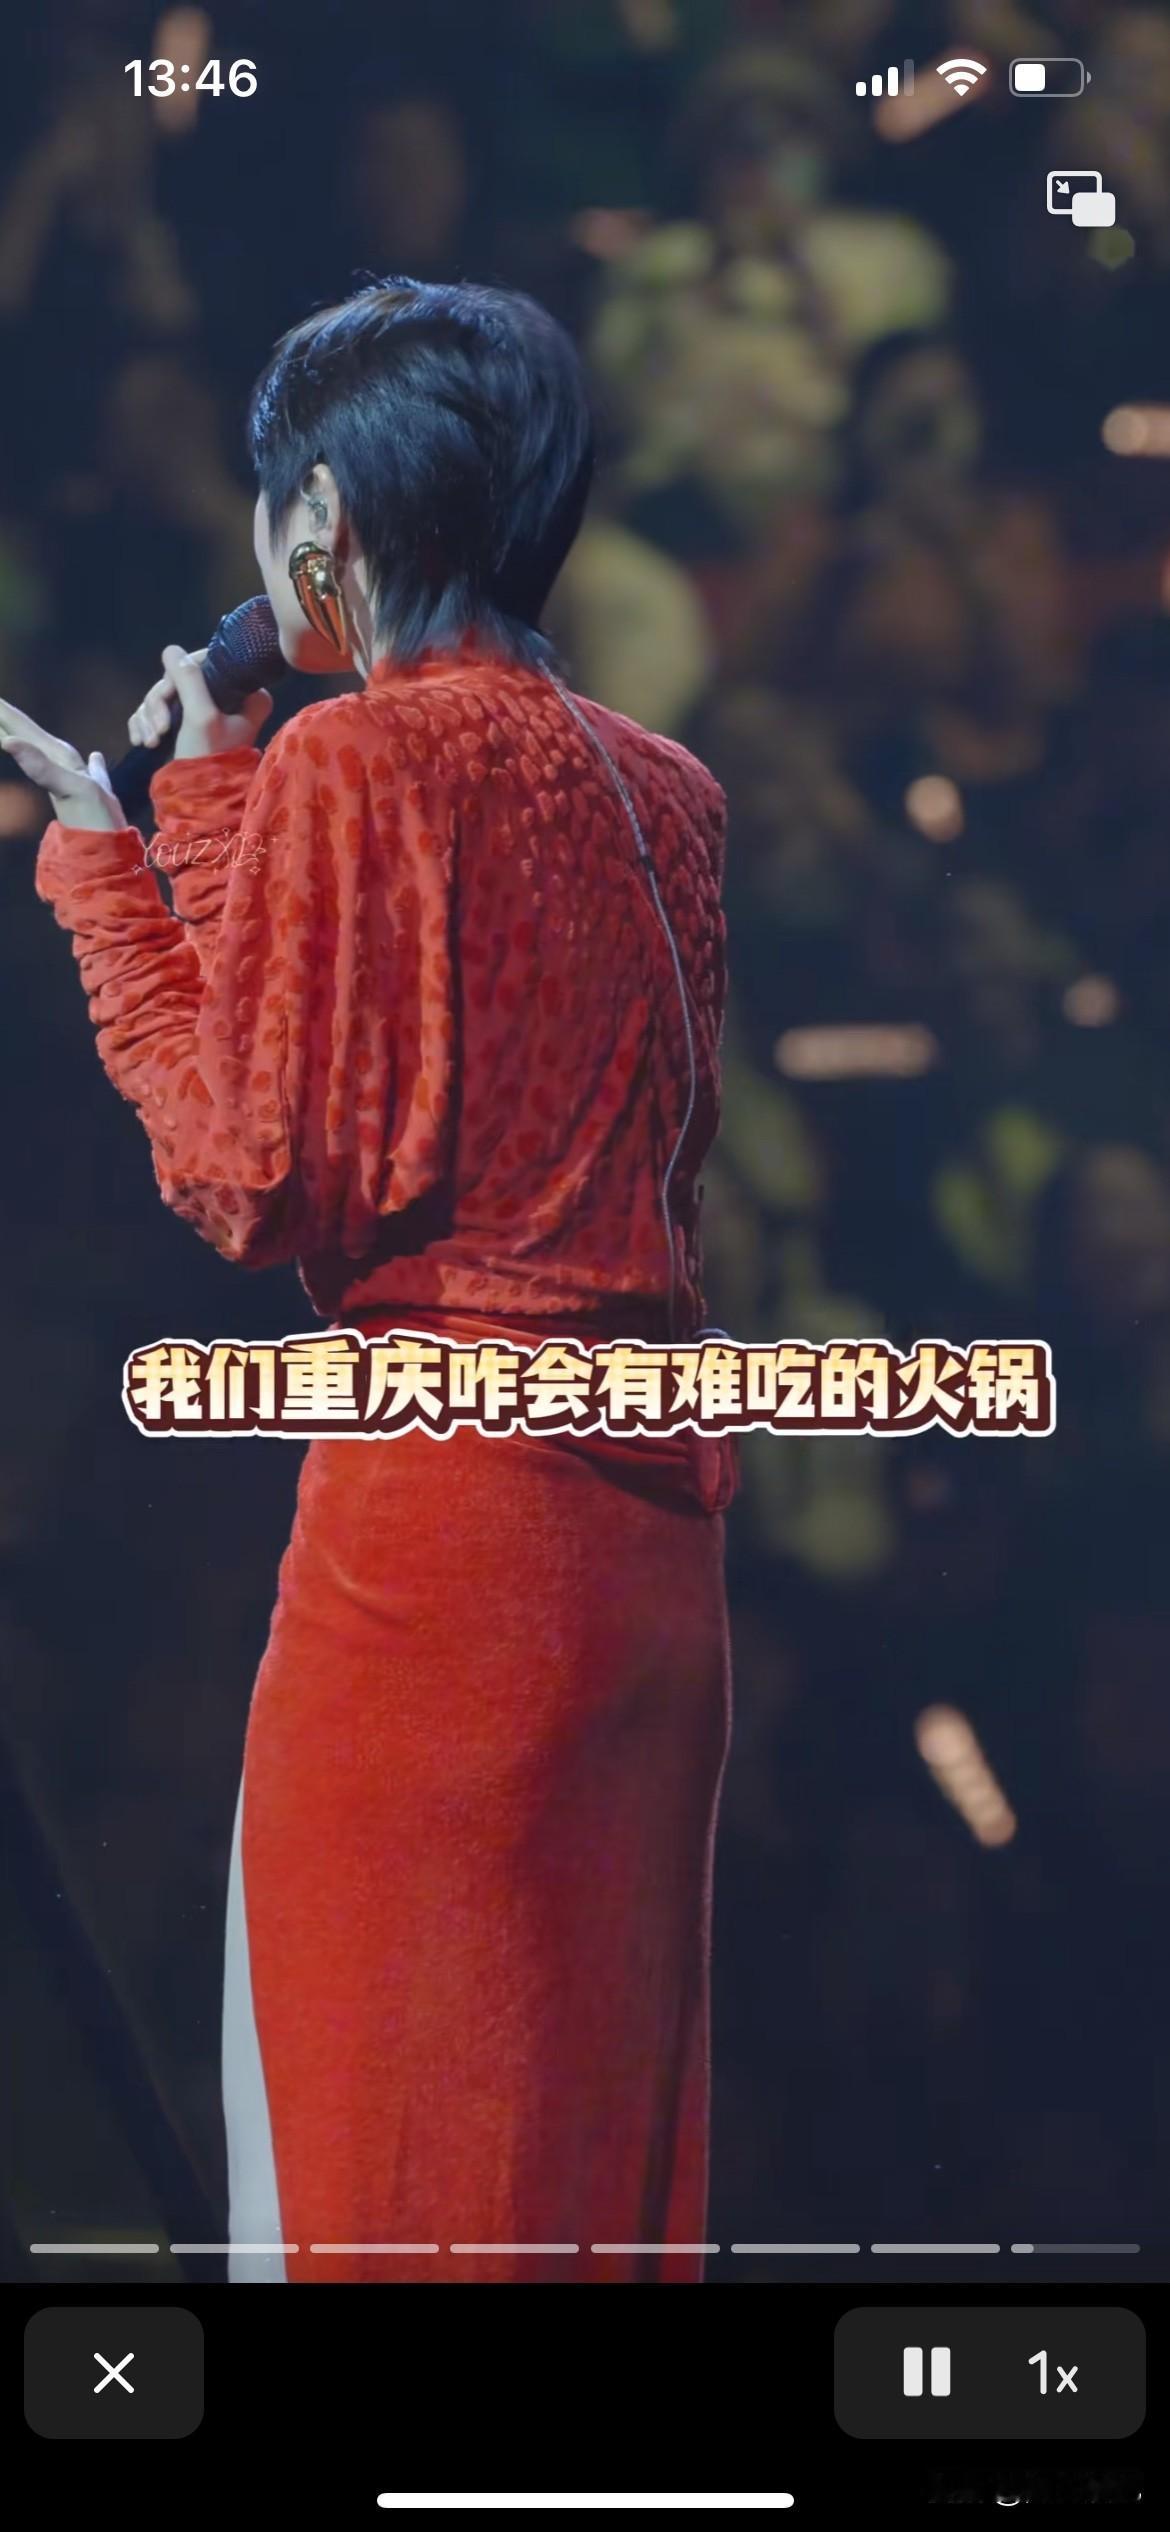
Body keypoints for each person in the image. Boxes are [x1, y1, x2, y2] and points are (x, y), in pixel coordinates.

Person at [1, 277, 736, 2285]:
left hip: (444, 1559)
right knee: (571, 2196)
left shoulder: (363, 763)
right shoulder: (665, 787)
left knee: (375, 2185)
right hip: (647, 1563)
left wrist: (103, 876)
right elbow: (395, 1022)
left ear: (319, 515)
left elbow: (256, 1168)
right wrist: (213, 802)